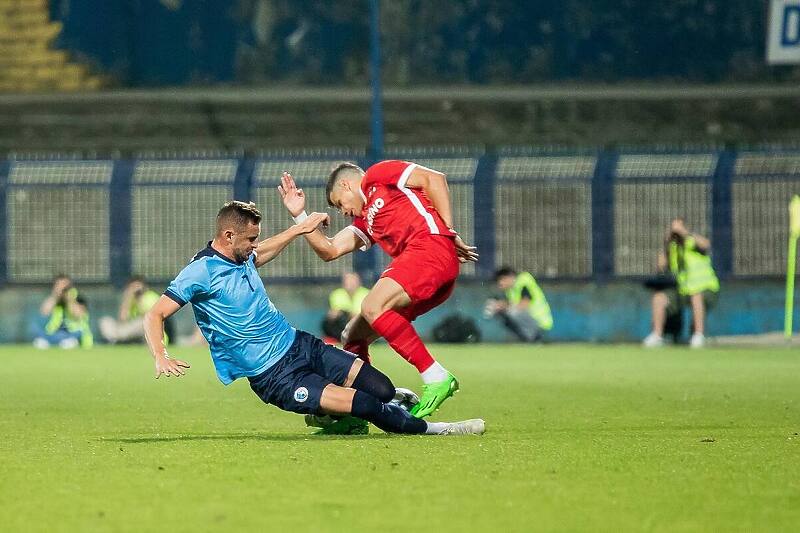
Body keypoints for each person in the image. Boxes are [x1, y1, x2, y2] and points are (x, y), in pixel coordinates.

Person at [143, 200, 484, 437]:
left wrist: (300, 228)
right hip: (274, 376)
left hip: (300, 345)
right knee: (367, 405)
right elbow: (155, 314)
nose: (254, 246)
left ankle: (336, 412)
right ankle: (439, 429)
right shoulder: (200, 272)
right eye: (250, 239)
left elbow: (265, 250)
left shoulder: (241, 254)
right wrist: (160, 354)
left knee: (379, 388)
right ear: (228, 236)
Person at [277, 161, 479, 418]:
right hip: (426, 269)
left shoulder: (377, 175)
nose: (343, 212)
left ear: (346, 184)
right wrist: (299, 216)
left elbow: (434, 179)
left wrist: (447, 231)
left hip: (430, 251)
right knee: (352, 335)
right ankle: (359, 413)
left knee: (372, 306)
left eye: (339, 203)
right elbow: (330, 250)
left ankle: (436, 376)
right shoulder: (366, 222)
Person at [643, 217, 720, 349]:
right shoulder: (672, 248)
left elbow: (706, 244)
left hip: (706, 289)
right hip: (682, 291)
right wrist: (666, 243)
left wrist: (685, 233)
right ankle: (657, 335)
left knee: (696, 295)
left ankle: (698, 335)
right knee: (659, 298)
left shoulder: (693, 242)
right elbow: (660, 267)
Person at [484, 266, 553, 342]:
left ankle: (536, 338)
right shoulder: (510, 291)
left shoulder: (523, 280)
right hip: (532, 321)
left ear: (508, 277)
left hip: (540, 323)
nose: (499, 284)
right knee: (503, 312)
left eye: (500, 280)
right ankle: (526, 339)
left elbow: (524, 304)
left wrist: (502, 306)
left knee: (513, 312)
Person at [99, 277, 171, 344]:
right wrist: (128, 298)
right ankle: (116, 339)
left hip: (151, 334)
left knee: (142, 322)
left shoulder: (151, 297)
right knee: (105, 321)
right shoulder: (130, 299)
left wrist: (139, 299)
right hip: (129, 330)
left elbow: (151, 320)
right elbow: (122, 319)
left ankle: (117, 338)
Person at [33, 274, 93, 349]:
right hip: (55, 334)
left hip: (74, 334)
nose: (62, 289)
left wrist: (69, 299)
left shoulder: (78, 299)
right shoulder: (54, 300)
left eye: (64, 286)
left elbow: (78, 315)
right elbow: (44, 312)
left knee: (70, 341)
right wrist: (55, 295)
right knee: (40, 339)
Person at [321, 271, 370, 343]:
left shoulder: (366, 293)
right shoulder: (337, 293)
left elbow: (361, 314)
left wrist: (348, 313)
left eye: (352, 281)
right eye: (347, 281)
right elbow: (335, 311)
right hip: (344, 321)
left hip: (361, 322)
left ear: (358, 282)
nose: (350, 283)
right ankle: (335, 338)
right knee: (329, 320)